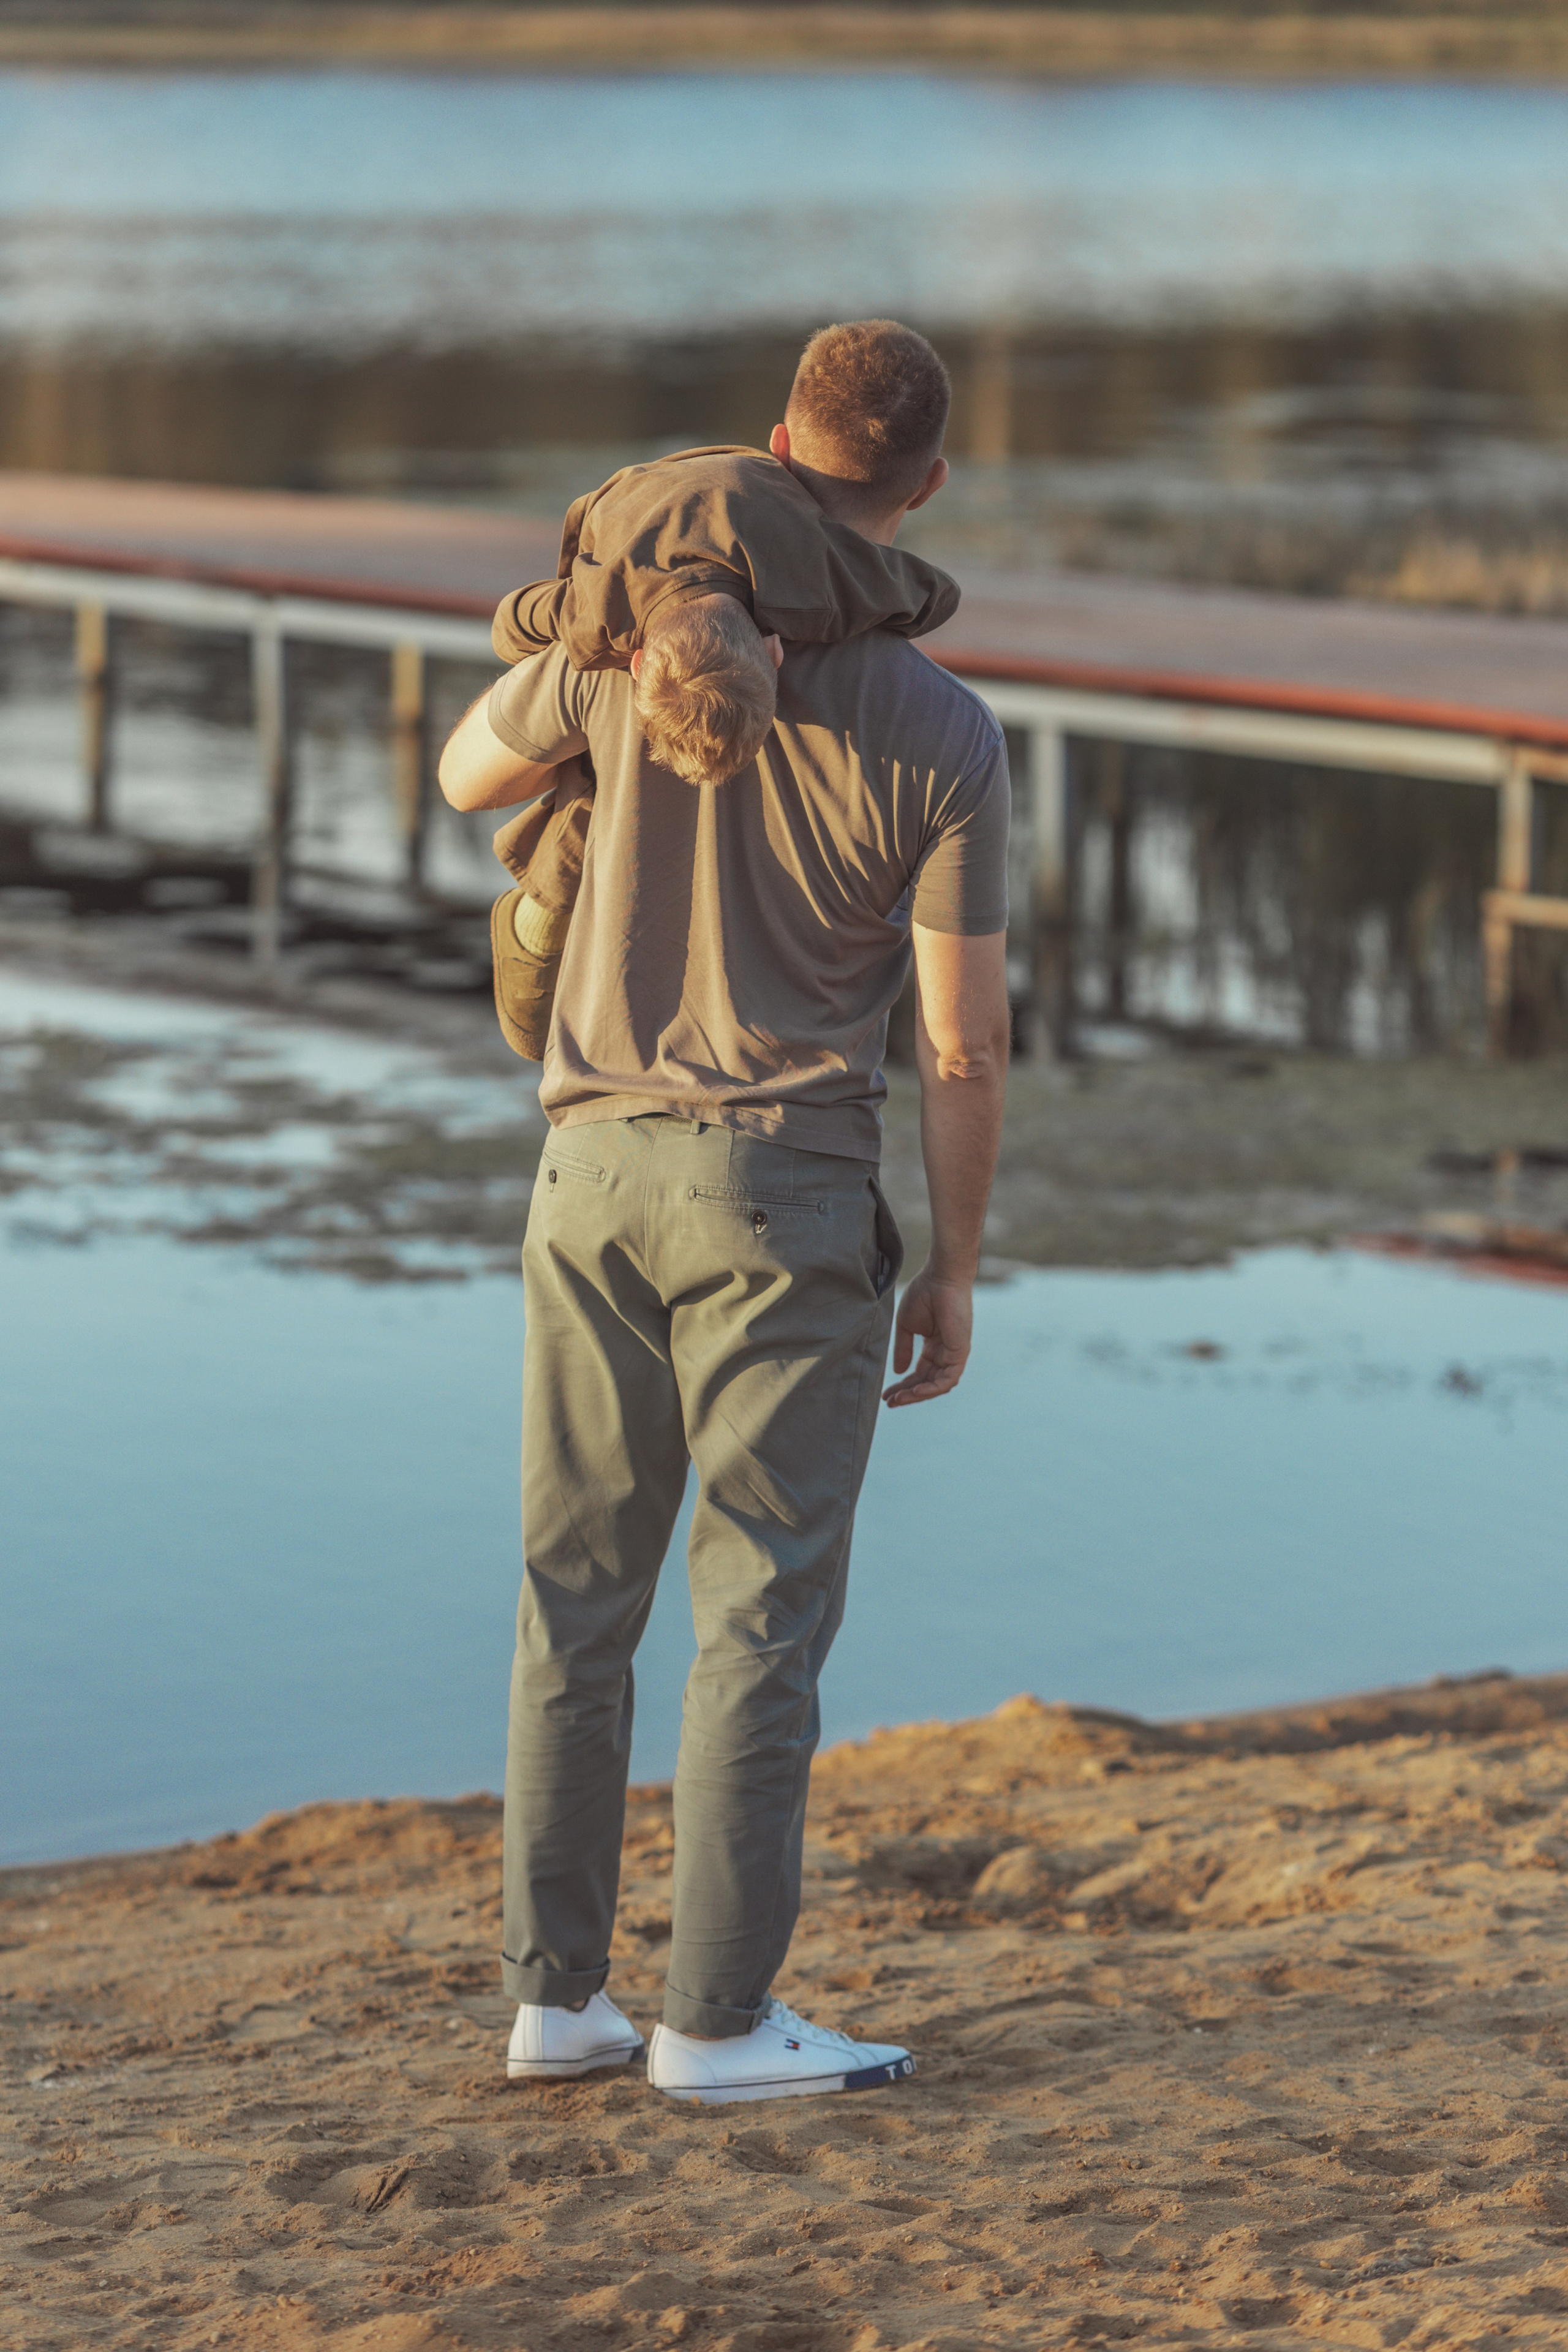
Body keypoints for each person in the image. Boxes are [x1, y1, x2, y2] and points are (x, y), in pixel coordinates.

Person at [438, 318, 1011, 2106]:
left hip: (589, 1172)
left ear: (777, 444)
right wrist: (961, 1263)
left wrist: (587, 656)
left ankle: (557, 2000)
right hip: (788, 1193)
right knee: (755, 1613)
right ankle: (716, 2022)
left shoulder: (623, 654)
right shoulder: (938, 727)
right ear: (921, 484)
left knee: (573, 1595)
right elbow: (959, 1040)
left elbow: (465, 779)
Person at [486, 443, 959, 1056]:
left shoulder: (813, 590)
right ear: (775, 649)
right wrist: (573, 626)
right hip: (646, 487)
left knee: (597, 760)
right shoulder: (601, 615)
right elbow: (511, 621)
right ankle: (545, 907)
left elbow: (925, 594)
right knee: (598, 760)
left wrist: (566, 626)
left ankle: (550, 903)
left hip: (710, 483)